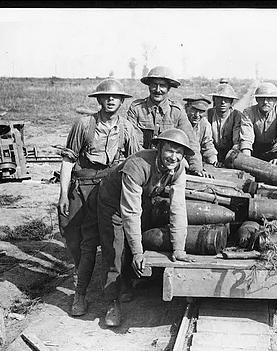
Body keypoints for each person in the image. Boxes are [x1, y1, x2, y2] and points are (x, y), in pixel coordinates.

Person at [97, 128, 195, 327]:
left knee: (142, 237)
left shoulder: (179, 167)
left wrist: (178, 248)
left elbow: (178, 207)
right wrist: (138, 252)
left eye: (179, 153)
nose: (174, 157)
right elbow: (130, 213)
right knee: (115, 249)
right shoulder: (137, 166)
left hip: (141, 200)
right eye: (169, 150)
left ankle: (129, 282)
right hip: (113, 204)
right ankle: (111, 302)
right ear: (158, 148)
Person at [57, 78, 139, 317]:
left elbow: (133, 164)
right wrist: (64, 194)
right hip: (82, 187)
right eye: (106, 96)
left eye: (115, 97)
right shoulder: (83, 124)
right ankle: (80, 292)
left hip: (110, 190)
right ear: (99, 100)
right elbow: (68, 160)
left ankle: (112, 301)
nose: (111, 100)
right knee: (79, 242)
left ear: (122, 101)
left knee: (113, 243)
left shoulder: (127, 128)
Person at [126, 65, 211, 178]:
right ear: (149, 86)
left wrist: (196, 168)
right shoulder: (136, 109)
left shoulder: (176, 111)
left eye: (162, 86)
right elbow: (134, 144)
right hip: (142, 165)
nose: (158, 90)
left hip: (169, 165)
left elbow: (191, 141)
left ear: (169, 88)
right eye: (154, 85)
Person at [239, 82, 277, 168]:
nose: (265, 102)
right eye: (262, 99)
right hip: (255, 149)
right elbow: (246, 139)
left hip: (274, 150)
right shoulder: (248, 112)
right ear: (256, 99)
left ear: (275, 100)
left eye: (270, 99)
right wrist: (247, 162)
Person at [207, 83, 242, 163]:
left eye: (226, 99)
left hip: (229, 153)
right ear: (214, 100)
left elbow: (237, 141)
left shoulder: (236, 115)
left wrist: (231, 156)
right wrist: (212, 157)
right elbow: (206, 139)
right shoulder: (208, 114)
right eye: (219, 98)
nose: (223, 102)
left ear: (231, 101)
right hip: (212, 152)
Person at [183, 93, 219, 166]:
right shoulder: (180, 121)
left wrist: (213, 159)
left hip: (196, 161)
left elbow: (208, 145)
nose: (197, 115)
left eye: (201, 111)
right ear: (186, 108)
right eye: (193, 110)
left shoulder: (204, 124)